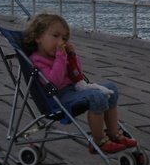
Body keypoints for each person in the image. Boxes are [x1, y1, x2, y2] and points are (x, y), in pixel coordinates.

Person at [22, 13, 136, 154]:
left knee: (111, 88)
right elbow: (54, 82)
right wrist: (61, 57)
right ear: (38, 37)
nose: (60, 42)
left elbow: (77, 74)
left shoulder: (59, 55)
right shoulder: (38, 60)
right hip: (58, 97)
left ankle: (113, 133)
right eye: (55, 36)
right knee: (97, 96)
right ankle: (99, 141)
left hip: (74, 90)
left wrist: (72, 56)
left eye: (64, 38)